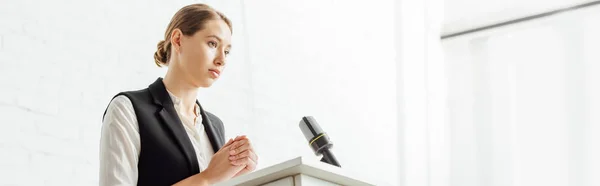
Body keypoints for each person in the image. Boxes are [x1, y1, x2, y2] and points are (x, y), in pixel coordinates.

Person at [99, 4, 258, 186]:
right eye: (212, 43)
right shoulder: (128, 109)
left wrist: (234, 178)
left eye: (227, 51)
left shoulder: (215, 126)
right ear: (178, 40)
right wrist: (208, 177)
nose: (222, 59)